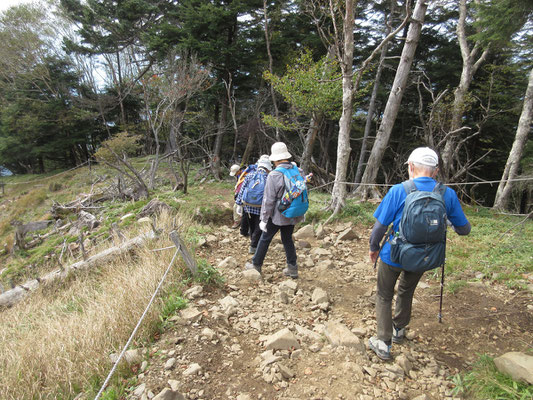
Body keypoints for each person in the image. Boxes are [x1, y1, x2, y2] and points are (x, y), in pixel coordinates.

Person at [368, 147, 471, 360]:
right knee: (406, 290)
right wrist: (448, 222)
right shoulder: (447, 194)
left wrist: (373, 248)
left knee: (384, 294)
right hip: (424, 256)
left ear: (411, 167)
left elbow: (379, 228)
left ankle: (383, 342)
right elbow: (465, 230)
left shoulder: (399, 190)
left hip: (393, 255)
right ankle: (399, 329)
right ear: (435, 171)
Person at [244, 142, 305, 279]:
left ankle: (256, 265)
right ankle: (292, 268)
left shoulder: (274, 175)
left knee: (265, 238)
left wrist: (264, 219)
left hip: (278, 214)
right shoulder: (298, 171)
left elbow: (268, 200)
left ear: (276, 159)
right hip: (293, 212)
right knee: (287, 239)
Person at [235, 155, 272, 254]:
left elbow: (242, 190)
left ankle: (253, 242)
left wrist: (239, 204)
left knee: (252, 226)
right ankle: (254, 245)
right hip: (261, 207)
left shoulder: (250, 175)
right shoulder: (269, 177)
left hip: (248, 206)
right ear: (268, 167)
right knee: (259, 227)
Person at [230, 164, 244, 229]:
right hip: (239, 194)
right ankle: (238, 221)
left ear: (239, 170)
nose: (235, 175)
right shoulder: (239, 175)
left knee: (236, 207)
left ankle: (237, 221)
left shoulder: (245, 175)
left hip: (244, 195)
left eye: (235, 173)